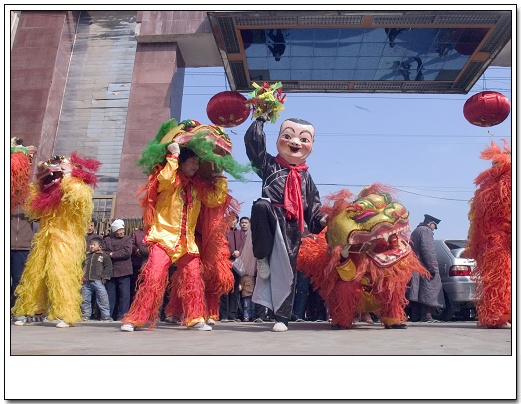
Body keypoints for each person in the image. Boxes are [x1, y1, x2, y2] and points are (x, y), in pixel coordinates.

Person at [121, 141, 230, 332]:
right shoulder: (170, 181)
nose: (196, 165)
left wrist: (219, 175)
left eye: (198, 162)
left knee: (193, 279)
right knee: (153, 278)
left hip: (187, 244)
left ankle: (195, 318)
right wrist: (172, 156)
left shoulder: (198, 188)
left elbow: (215, 200)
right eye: (192, 161)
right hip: (164, 239)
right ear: (182, 161)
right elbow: (163, 179)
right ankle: (136, 319)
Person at [245, 115, 326, 332]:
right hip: (271, 216)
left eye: (303, 138)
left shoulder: (306, 177)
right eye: (288, 136)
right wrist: (260, 121)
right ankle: (261, 257)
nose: (295, 142)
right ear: (278, 138)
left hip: (291, 229)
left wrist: (324, 219)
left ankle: (282, 318)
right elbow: (254, 146)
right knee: (261, 205)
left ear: (311, 146)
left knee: (287, 274)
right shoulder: (268, 164)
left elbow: (314, 207)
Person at [12, 153, 101, 328]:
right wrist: (40, 180)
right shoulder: (49, 193)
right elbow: (32, 209)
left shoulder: (78, 187)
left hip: (66, 240)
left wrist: (68, 176)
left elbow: (79, 199)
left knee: (61, 274)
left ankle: (64, 314)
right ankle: (32, 309)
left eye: (62, 167)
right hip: (45, 238)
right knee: (35, 274)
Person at [10, 138, 37, 319]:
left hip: (23, 246)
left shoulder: (31, 194)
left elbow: (39, 215)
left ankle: (17, 311)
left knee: (19, 280)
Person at [407, 214, 445, 322]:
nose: (434, 229)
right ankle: (427, 316)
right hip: (424, 267)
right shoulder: (426, 231)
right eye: (434, 226)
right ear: (430, 223)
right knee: (429, 290)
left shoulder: (416, 231)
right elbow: (428, 251)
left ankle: (415, 317)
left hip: (414, 266)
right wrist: (433, 267)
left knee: (416, 293)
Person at [219, 213, 247, 322]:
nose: (232, 221)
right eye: (230, 219)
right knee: (225, 289)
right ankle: (224, 315)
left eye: (234, 219)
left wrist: (239, 252)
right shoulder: (224, 232)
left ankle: (232, 314)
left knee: (235, 289)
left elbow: (245, 246)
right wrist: (231, 253)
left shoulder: (242, 234)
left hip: (238, 264)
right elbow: (221, 245)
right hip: (226, 263)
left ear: (237, 221)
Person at [104, 219, 133, 321]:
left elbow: (127, 252)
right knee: (110, 295)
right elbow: (104, 252)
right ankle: (108, 315)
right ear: (114, 231)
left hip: (124, 270)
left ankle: (123, 315)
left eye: (122, 230)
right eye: (119, 230)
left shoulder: (128, 239)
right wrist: (111, 254)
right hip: (111, 271)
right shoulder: (107, 240)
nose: (121, 232)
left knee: (124, 295)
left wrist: (112, 254)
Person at [81, 236, 113, 322]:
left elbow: (108, 267)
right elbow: (82, 266)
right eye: (90, 244)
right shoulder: (87, 255)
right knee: (85, 298)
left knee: (102, 298)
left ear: (100, 247)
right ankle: (86, 315)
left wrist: (105, 277)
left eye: (93, 245)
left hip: (98, 280)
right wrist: (81, 276)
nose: (91, 246)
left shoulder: (104, 256)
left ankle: (105, 316)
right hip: (86, 281)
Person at [130, 224, 149, 303]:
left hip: (151, 263)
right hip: (138, 264)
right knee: (137, 288)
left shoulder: (156, 232)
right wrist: (136, 250)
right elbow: (131, 244)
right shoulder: (137, 233)